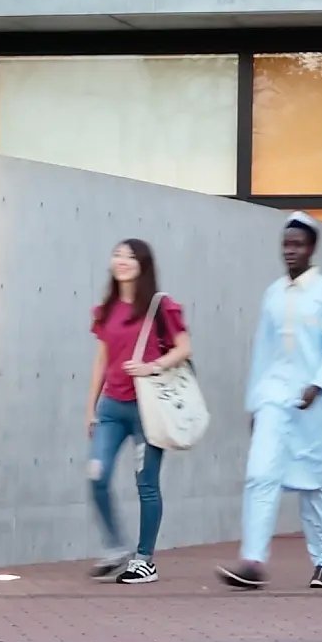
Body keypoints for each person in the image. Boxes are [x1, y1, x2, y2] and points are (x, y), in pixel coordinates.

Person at [221, 213, 322, 591]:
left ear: (311, 248)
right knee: (260, 473)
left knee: (317, 485)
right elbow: (263, 351)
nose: (290, 251)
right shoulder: (273, 294)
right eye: (286, 244)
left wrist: (318, 385)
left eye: (297, 244)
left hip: (320, 404)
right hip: (275, 398)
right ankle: (253, 560)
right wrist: (256, 401)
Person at [86, 238, 188, 583]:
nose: (122, 260)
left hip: (148, 410)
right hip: (111, 409)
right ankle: (116, 548)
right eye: (117, 254)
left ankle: (145, 560)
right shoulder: (107, 309)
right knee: (96, 475)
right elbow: (102, 360)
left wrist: (151, 366)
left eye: (129, 256)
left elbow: (184, 348)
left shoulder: (161, 307)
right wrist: (90, 408)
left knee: (146, 483)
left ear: (143, 264)